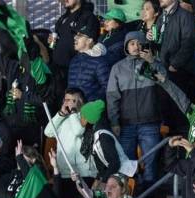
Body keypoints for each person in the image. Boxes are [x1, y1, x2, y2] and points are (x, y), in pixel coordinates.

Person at [106, 31, 164, 188]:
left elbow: (165, 82)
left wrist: (152, 61)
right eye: (131, 43)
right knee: (127, 166)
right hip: (125, 125)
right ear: (126, 47)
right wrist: (114, 122)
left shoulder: (154, 63)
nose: (136, 46)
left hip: (150, 123)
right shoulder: (117, 68)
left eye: (139, 43)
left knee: (151, 165)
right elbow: (112, 98)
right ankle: (131, 197)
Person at [49, 0, 100, 95]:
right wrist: (53, 41)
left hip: (76, 71)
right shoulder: (63, 18)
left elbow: (90, 43)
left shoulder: (88, 17)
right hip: (57, 70)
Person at [68, 22, 111, 103]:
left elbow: (107, 87)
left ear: (89, 40)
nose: (75, 38)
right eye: (76, 35)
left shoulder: (100, 61)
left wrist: (90, 101)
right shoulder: (74, 60)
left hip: (89, 109)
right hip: (73, 107)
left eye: (80, 35)